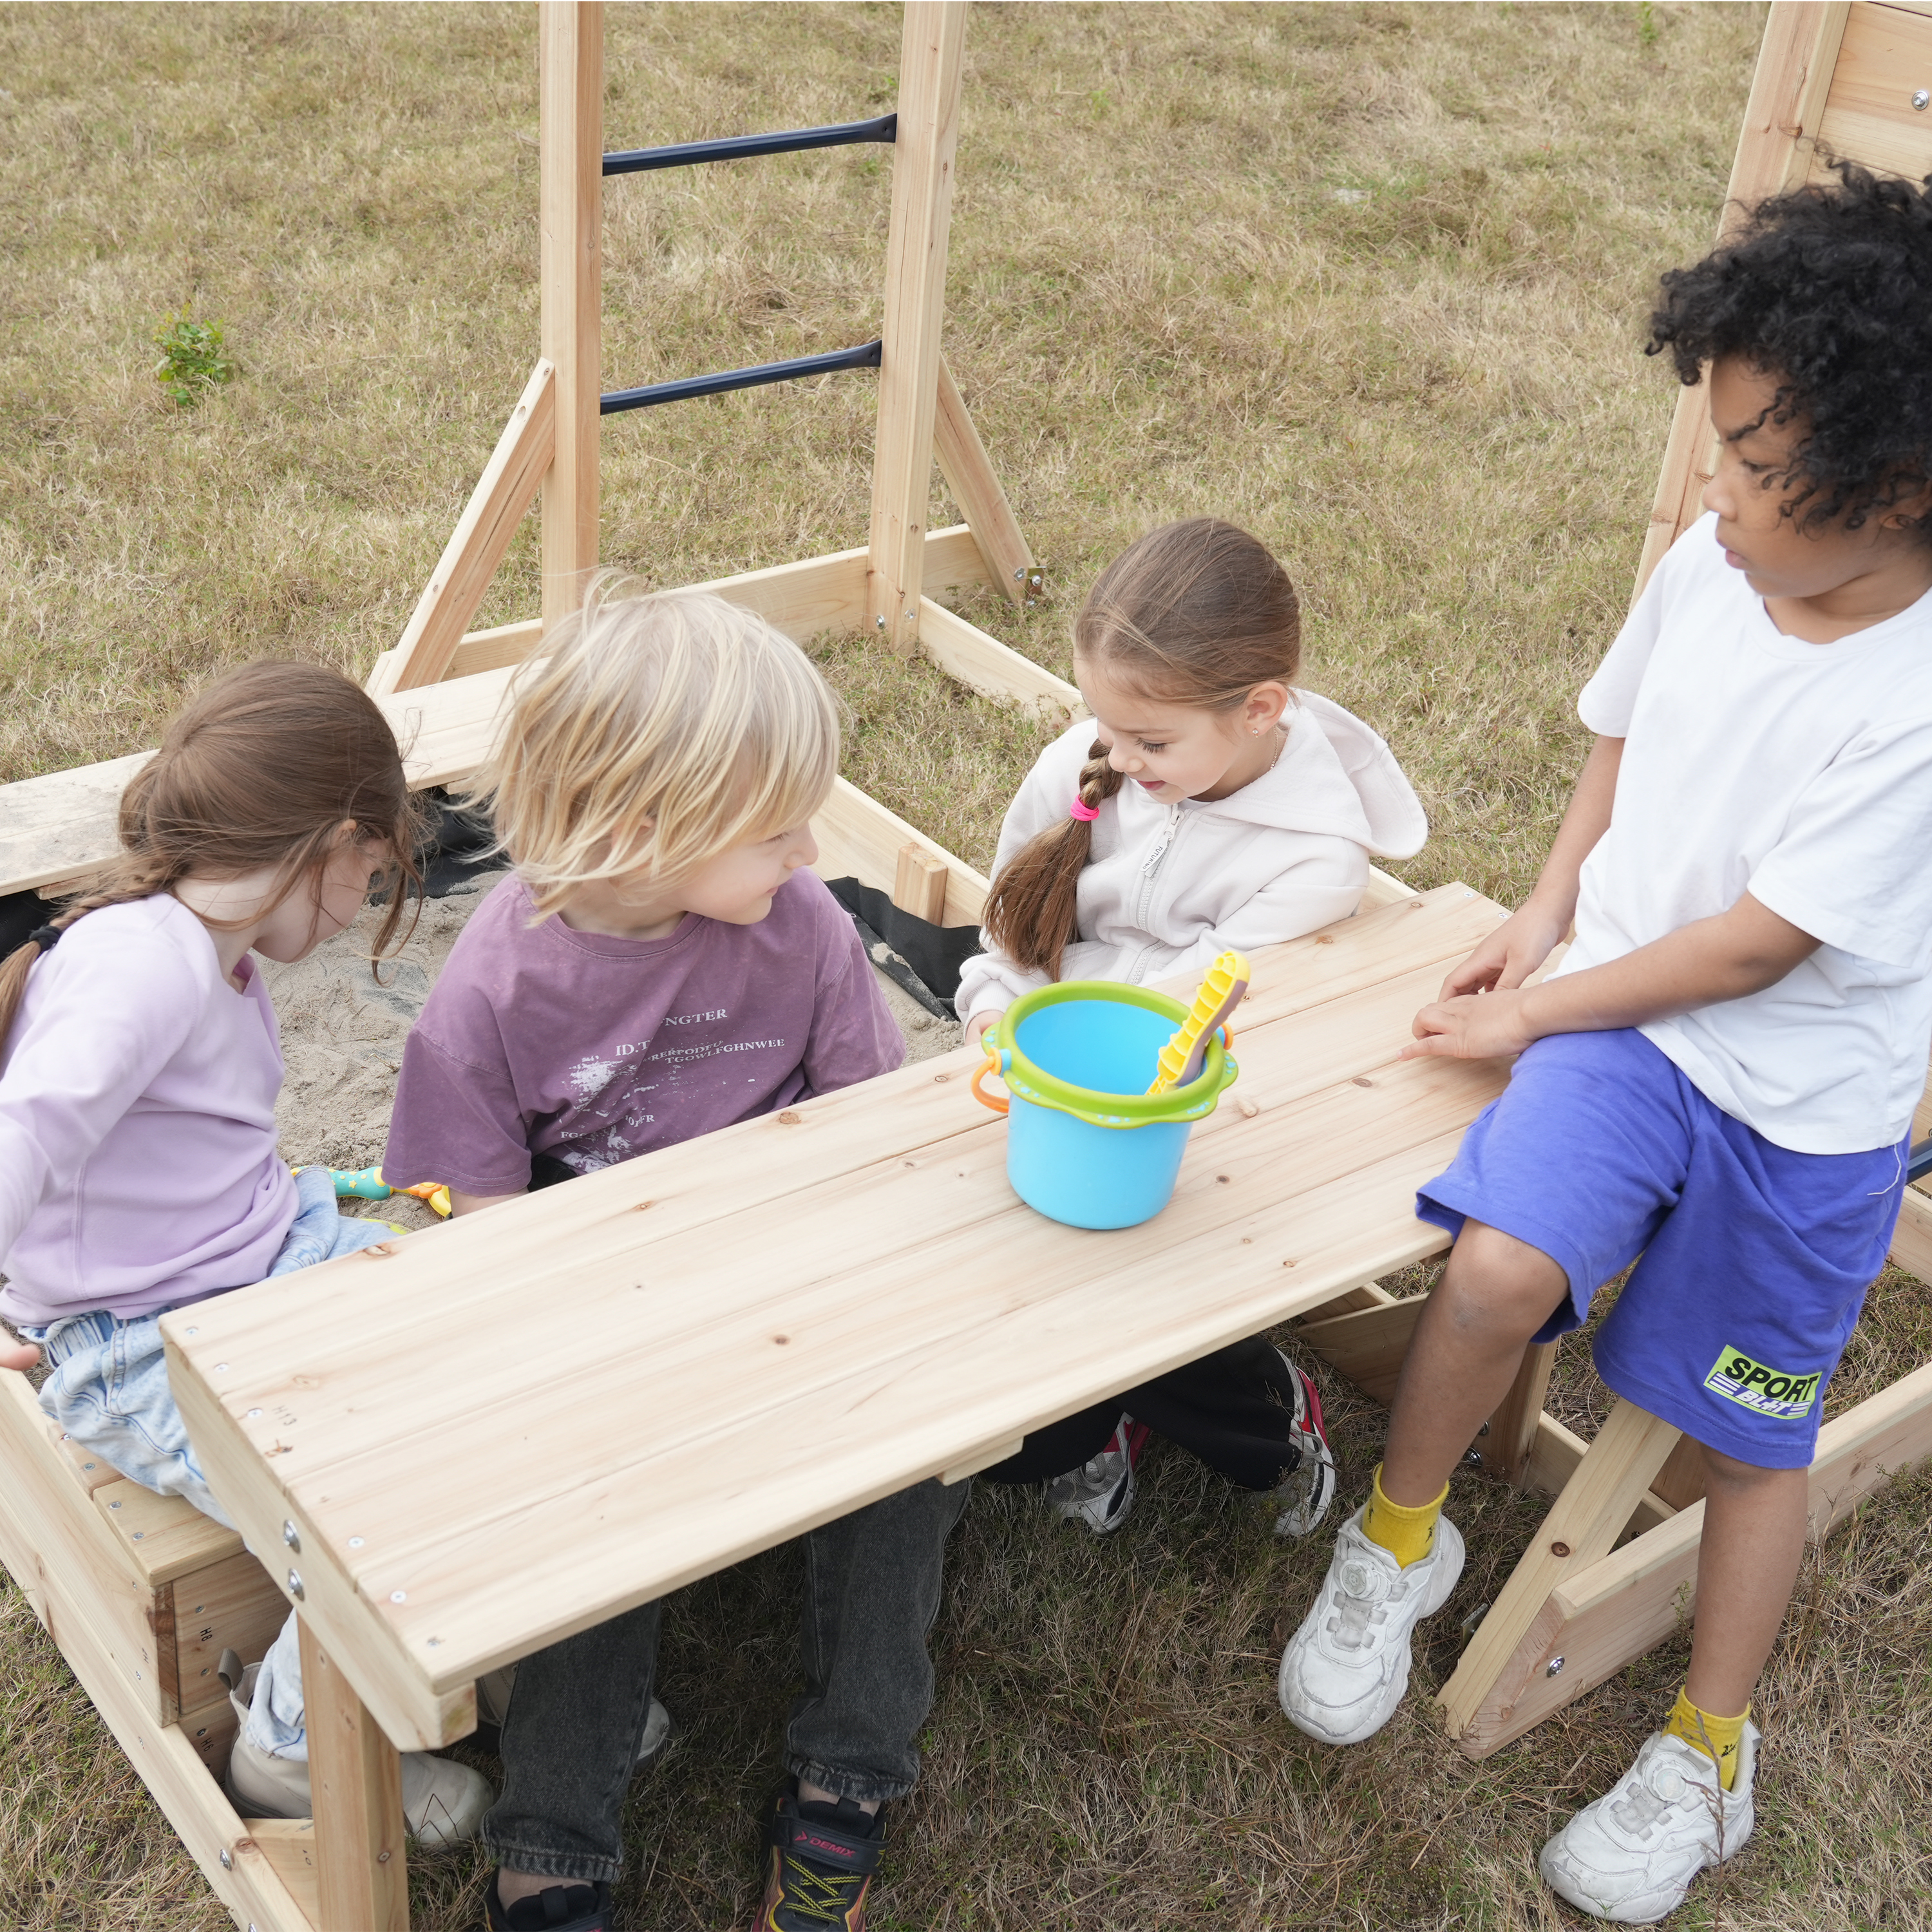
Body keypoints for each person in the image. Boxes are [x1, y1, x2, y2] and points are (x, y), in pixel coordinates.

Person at [1276, 163, 1932, 1924]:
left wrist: (1532, 1010)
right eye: (1714, 441)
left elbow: (1755, 947)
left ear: (1902, 493)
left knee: (1744, 1442)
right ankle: (1397, 1544)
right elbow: (1623, 745)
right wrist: (1549, 910)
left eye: (1756, 464)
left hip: (1801, 1105)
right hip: (1626, 1025)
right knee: (1492, 1271)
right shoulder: (1710, 569)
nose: (1713, 489)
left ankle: (1707, 1755)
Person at [379, 585, 961, 1932]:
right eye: (777, 828)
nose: (811, 850)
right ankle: (553, 1854)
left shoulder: (802, 925)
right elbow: (461, 1232)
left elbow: (869, 1126)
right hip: (600, 1335)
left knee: (913, 1469)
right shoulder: (492, 994)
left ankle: (845, 1784)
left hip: (794, 1295)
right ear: (648, 833)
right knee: (589, 1528)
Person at [0, 661, 493, 1842]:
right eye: (369, 879)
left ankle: (509, 1645)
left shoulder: (199, 943)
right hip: (137, 1344)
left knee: (475, 1358)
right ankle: (289, 1750)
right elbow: (29, 1131)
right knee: (361, 1498)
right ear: (330, 843)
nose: (355, 910)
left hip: (254, 1258)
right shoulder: (144, 968)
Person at [955, 518, 1428, 1537]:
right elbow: (1009, 932)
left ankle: (1258, 1418)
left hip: (1202, 1100)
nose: (1115, 757)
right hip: (1055, 1064)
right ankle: (1095, 1418)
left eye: (1151, 742)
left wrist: (1043, 1016)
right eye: (1104, 727)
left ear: (1261, 709)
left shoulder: (1313, 860)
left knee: (1120, 1269)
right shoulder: (1080, 764)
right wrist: (991, 1007)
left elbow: (1172, 1018)